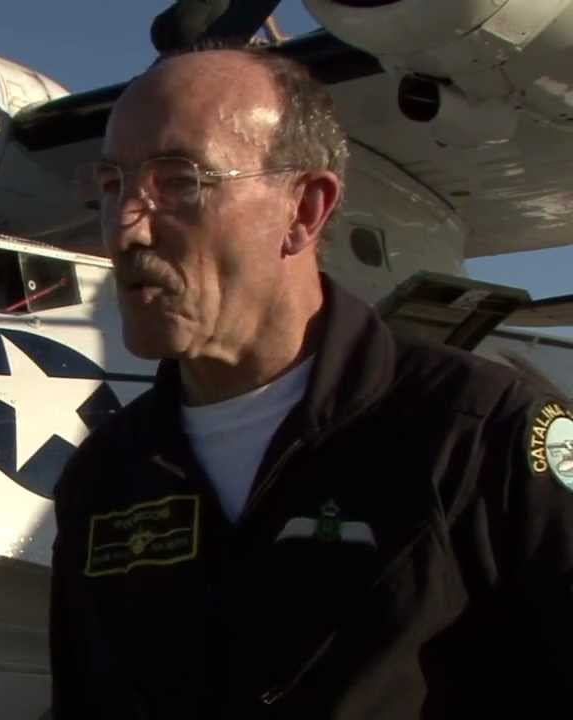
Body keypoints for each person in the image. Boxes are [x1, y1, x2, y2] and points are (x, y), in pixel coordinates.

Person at [48, 42, 573, 718]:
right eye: (112, 184)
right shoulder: (102, 480)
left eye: (178, 182)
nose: (124, 229)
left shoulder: (482, 436)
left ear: (304, 211)